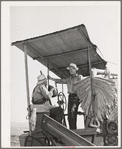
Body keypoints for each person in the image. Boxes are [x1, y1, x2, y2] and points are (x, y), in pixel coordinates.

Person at [48, 63, 83, 129]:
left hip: (77, 97)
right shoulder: (68, 79)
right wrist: (51, 78)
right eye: (70, 70)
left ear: (75, 70)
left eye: (72, 69)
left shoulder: (79, 77)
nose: (70, 71)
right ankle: (72, 130)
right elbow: (60, 80)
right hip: (70, 97)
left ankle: (74, 130)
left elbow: (83, 86)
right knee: (69, 115)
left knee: (72, 112)